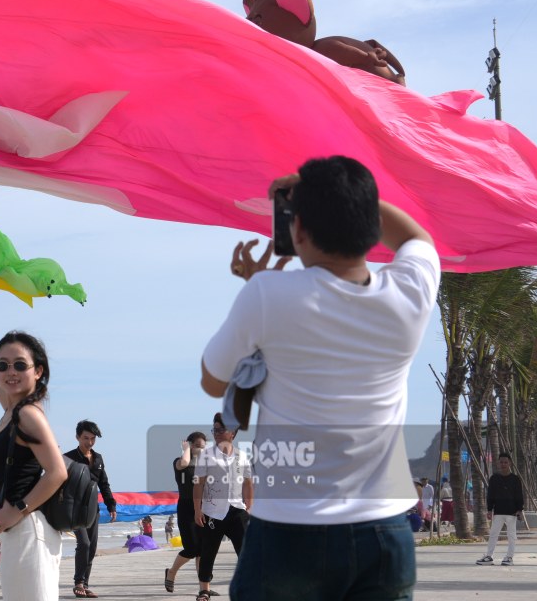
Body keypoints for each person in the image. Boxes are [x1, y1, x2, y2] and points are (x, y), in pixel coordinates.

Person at [202, 156, 440, 601]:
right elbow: (416, 238)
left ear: (299, 229)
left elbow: (214, 383)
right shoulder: (409, 290)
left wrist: (257, 298)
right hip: (385, 529)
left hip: (291, 530)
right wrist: (344, 198)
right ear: (369, 226)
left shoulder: (267, 295)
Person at [0, 306, 67, 601]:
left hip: (28, 528)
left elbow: (57, 472)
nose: (10, 372)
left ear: (38, 371)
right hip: (16, 531)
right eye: (3, 366)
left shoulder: (28, 414)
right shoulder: (12, 409)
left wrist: (14, 509)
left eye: (20, 365)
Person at [192, 413, 252, 600]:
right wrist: (197, 509)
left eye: (221, 429)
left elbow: (248, 483)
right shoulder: (206, 456)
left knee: (245, 552)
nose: (216, 433)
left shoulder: (243, 456)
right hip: (212, 511)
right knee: (208, 552)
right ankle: (204, 589)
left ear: (233, 432)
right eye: (214, 429)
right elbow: (198, 484)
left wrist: (250, 507)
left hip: (237, 510)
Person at [63, 419, 116, 598]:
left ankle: (85, 584)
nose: (90, 442)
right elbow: (57, 485)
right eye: (86, 438)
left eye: (93, 439)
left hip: (93, 509)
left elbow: (104, 483)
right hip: (74, 509)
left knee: (92, 547)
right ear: (78, 437)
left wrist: (111, 505)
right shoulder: (68, 458)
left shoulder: (98, 458)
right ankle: (78, 582)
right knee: (84, 544)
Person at [164, 431, 207, 594]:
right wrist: (186, 449)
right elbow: (185, 461)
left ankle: (203, 587)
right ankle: (172, 572)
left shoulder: (205, 466)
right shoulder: (180, 462)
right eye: (197, 446)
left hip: (204, 507)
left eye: (203, 447)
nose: (201, 450)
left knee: (202, 550)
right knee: (191, 548)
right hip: (186, 508)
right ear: (189, 445)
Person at [476, 453, 525, 566]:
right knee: (493, 534)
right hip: (498, 512)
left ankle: (509, 557)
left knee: (511, 535)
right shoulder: (494, 478)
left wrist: (519, 510)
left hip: (512, 512)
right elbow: (491, 495)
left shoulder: (515, 479)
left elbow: (519, 495)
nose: (503, 464)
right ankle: (489, 556)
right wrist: (489, 509)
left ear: (510, 463)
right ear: (498, 463)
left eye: (505, 462)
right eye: (501, 462)